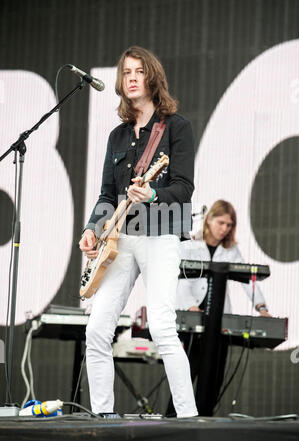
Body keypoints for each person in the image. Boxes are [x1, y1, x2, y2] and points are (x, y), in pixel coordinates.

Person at [79, 45, 198, 418]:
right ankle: (102, 416)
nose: (131, 78)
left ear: (152, 78)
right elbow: (105, 195)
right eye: (126, 72)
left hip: (161, 234)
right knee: (97, 330)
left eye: (138, 71)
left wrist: (153, 193)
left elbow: (183, 187)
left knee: (163, 326)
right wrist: (91, 229)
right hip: (121, 239)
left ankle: (190, 419)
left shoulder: (176, 127)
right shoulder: (116, 137)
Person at [166, 199, 271, 416]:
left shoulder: (230, 250)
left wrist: (261, 308)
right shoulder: (189, 244)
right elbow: (180, 280)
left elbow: (248, 279)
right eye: (221, 222)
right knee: (188, 371)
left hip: (219, 318)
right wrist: (191, 306)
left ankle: (205, 419)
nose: (224, 229)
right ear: (209, 219)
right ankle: (172, 418)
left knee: (215, 374)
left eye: (229, 225)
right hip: (193, 317)